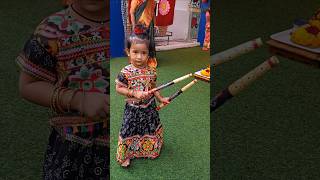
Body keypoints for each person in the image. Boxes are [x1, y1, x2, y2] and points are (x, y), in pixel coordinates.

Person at [16, 0, 110, 179]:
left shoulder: (128, 24)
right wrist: (77, 99)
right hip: (75, 149)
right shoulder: (51, 32)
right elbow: (28, 85)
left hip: (121, 142)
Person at [115, 30, 169, 167]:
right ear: (128, 51)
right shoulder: (125, 72)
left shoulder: (151, 71)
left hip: (149, 107)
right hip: (132, 108)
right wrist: (134, 93)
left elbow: (153, 87)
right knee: (128, 129)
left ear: (149, 54)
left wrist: (161, 98)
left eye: (143, 53)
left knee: (150, 127)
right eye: (135, 52)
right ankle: (125, 155)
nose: (139, 57)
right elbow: (118, 88)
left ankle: (149, 149)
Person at [129, 0, 158, 68]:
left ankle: (150, 59)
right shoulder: (136, 1)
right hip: (139, 25)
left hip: (150, 25)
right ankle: (137, 60)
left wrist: (155, 24)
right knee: (139, 43)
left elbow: (153, 13)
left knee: (149, 41)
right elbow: (132, 13)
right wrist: (134, 26)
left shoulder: (152, 1)